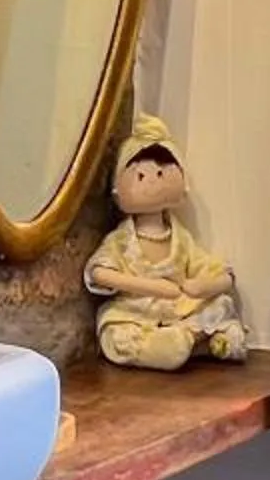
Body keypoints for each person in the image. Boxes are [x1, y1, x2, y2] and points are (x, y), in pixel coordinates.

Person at [85, 115, 249, 371]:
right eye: (140, 176)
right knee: (115, 332)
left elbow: (217, 271)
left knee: (221, 305)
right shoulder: (120, 241)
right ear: (118, 190)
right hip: (136, 313)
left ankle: (191, 340)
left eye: (161, 173)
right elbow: (98, 272)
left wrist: (201, 286)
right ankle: (186, 345)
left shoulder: (181, 239)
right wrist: (151, 287)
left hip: (177, 312)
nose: (152, 181)